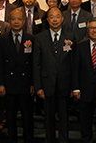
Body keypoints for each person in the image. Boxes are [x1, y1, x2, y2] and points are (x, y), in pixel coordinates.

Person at [0, 8, 34, 143]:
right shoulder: (2, 39)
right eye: (13, 19)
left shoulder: (31, 38)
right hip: (8, 85)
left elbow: (34, 64)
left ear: (24, 21)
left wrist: (34, 83)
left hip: (25, 85)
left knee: (27, 117)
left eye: (19, 19)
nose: (16, 22)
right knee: (10, 117)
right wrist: (0, 83)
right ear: (9, 21)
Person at [33, 7, 73, 143]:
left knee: (64, 118)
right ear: (47, 19)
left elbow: (74, 64)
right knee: (48, 120)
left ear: (62, 19)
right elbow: (36, 64)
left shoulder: (70, 36)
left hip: (65, 85)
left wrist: (74, 87)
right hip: (46, 85)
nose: (54, 19)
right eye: (51, 17)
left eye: (57, 16)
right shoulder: (39, 38)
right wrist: (38, 87)